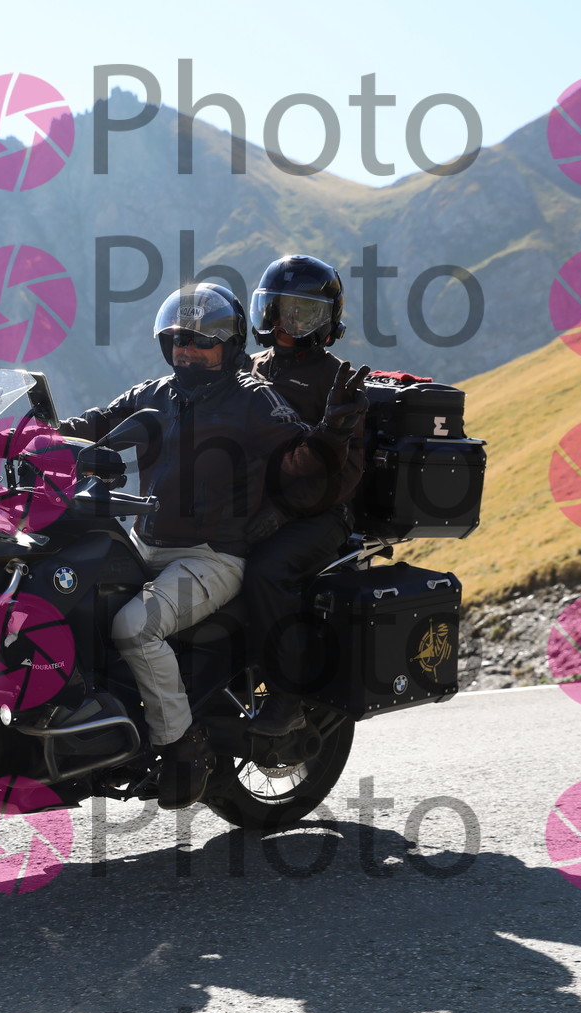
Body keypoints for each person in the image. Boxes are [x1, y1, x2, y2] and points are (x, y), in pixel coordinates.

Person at [57, 282, 362, 808]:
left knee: (135, 627)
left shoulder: (252, 398)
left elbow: (298, 463)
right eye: (179, 340)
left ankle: (181, 745)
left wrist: (333, 433)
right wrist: (31, 434)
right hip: (145, 544)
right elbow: (92, 425)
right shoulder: (153, 394)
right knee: (72, 599)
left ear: (230, 344)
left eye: (202, 341)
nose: (188, 350)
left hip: (212, 556)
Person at [243, 255, 370, 736]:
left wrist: (282, 511)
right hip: (255, 507)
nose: (287, 323)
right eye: (279, 309)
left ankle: (287, 696)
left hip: (322, 515)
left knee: (265, 571)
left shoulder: (340, 381)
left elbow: (343, 476)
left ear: (327, 320)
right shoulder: (252, 367)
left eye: (303, 312)